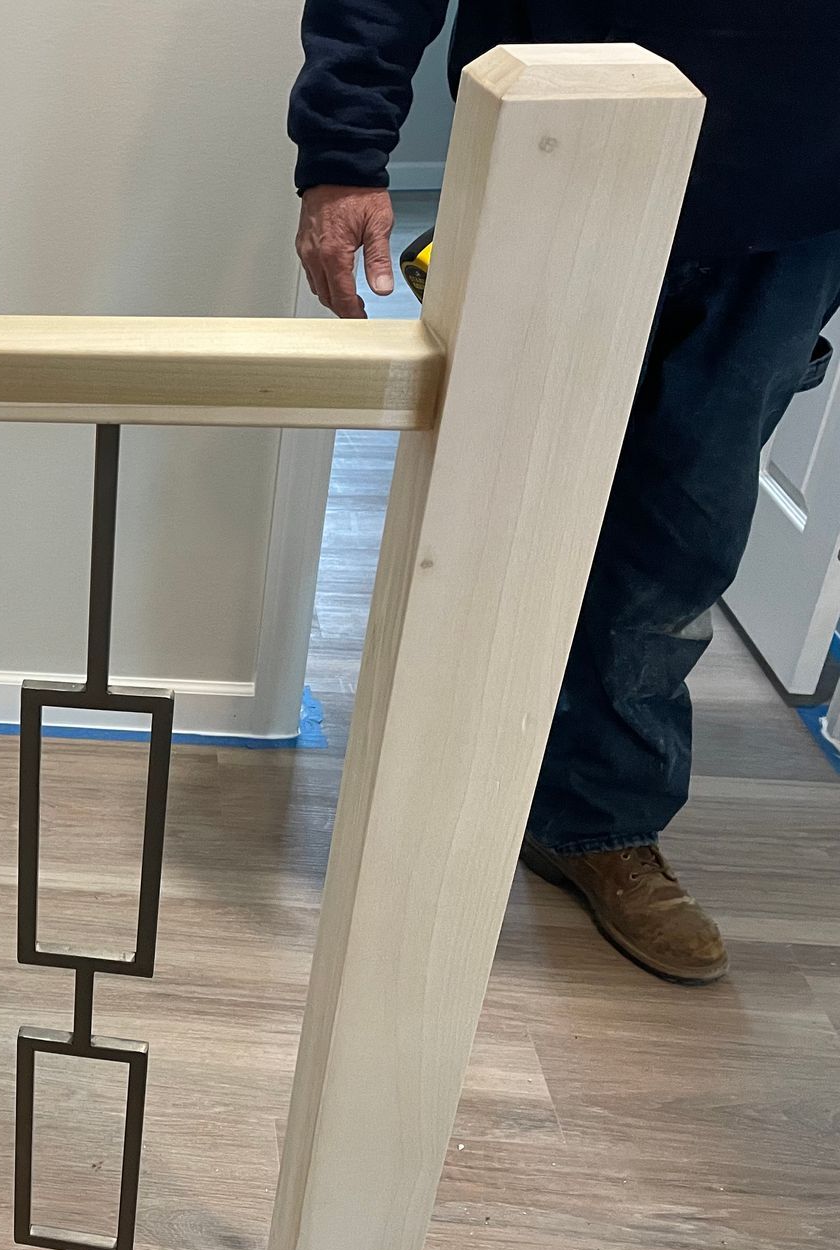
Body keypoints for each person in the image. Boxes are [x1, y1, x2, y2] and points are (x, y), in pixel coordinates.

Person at [289, 3, 840, 984]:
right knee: (480, 512)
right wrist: (343, 148)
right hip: (554, 150)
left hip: (796, 193)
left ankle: (599, 825)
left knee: (682, 540)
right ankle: (420, 814)